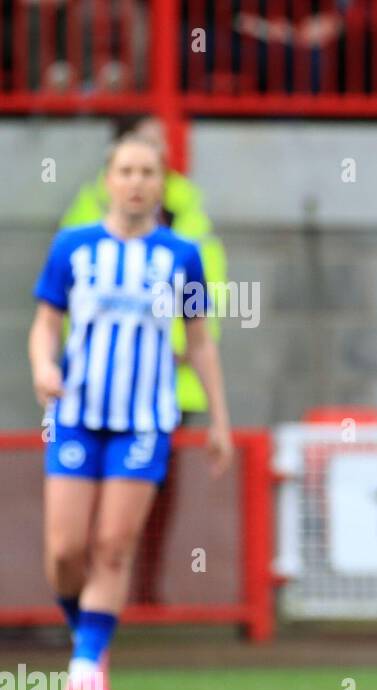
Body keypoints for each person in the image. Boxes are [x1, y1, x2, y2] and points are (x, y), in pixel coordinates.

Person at [29, 135, 234, 690]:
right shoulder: (72, 247)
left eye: (149, 171)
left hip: (144, 420)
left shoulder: (180, 255)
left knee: (113, 544)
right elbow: (46, 323)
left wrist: (219, 420)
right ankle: (87, 630)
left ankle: (88, 662)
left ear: (162, 183)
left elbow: (200, 343)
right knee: (65, 549)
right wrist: (45, 366)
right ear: (108, 180)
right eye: (127, 170)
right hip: (75, 415)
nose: (138, 181)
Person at [62, 114, 230, 604]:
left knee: (152, 495)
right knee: (79, 519)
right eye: (137, 153)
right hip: (95, 390)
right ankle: (88, 598)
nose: (144, 169)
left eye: (156, 152)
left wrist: (182, 350)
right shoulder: (84, 219)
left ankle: (139, 591)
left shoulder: (189, 217)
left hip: (167, 388)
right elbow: (64, 299)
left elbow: (206, 296)